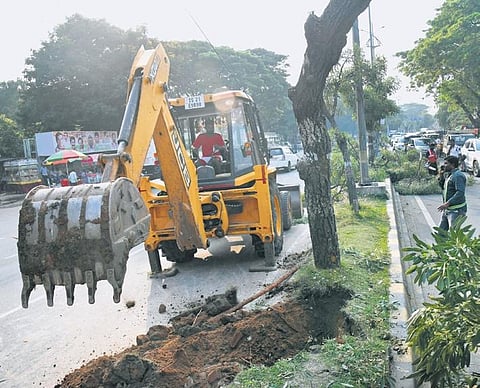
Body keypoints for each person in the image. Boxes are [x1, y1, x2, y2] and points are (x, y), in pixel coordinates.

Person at [437, 155, 467, 231]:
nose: (444, 165)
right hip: (447, 209)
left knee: (453, 235)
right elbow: (443, 187)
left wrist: (448, 203)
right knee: (441, 233)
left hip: (456, 211)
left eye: (446, 163)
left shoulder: (458, 176)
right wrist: (441, 175)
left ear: (452, 165)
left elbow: (460, 193)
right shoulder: (449, 174)